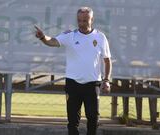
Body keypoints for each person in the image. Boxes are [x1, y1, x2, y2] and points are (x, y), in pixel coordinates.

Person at [35, 6, 112, 135]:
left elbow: (107, 60)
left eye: (85, 21)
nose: (82, 24)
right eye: (79, 20)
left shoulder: (100, 37)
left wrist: (106, 80)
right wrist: (43, 37)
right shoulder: (70, 35)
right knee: (72, 121)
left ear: (91, 20)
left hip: (92, 84)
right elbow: (52, 42)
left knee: (93, 118)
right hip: (73, 84)